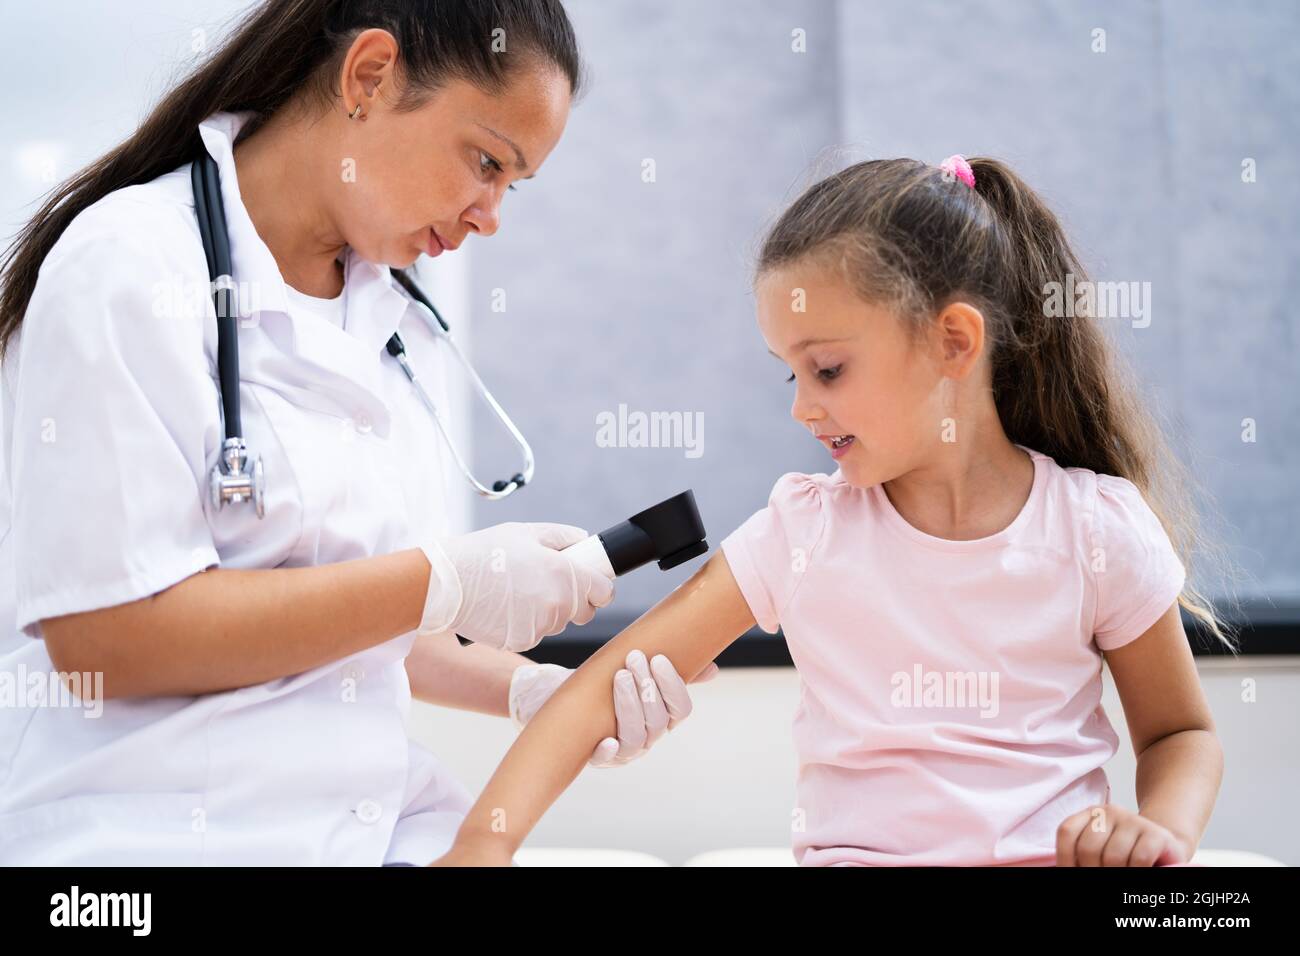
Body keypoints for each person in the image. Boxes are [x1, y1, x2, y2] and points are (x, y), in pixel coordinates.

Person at [0, 0, 712, 866]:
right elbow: (105, 642)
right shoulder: (128, 268)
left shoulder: (386, 310)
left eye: (511, 185)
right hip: (147, 843)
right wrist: (444, 581)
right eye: (487, 161)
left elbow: (337, 616)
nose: (491, 215)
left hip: (369, 831)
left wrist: (533, 689)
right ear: (369, 76)